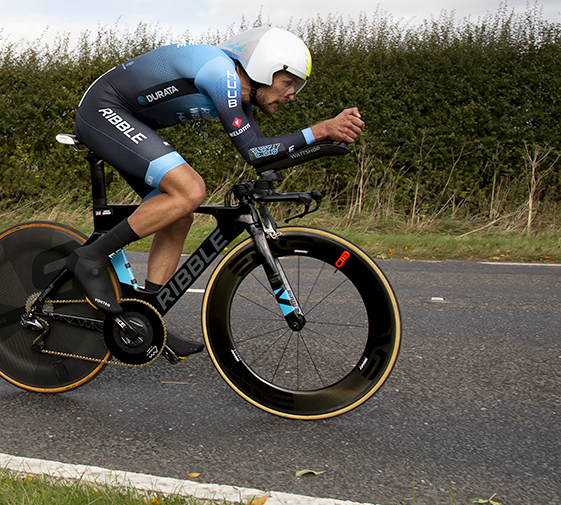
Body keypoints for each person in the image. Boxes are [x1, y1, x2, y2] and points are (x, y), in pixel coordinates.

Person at [67, 26, 365, 357]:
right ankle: (90, 257)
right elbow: (254, 150)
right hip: (103, 110)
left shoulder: (243, 95)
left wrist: (323, 142)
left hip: (127, 118)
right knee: (190, 190)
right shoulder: (220, 72)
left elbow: (263, 155)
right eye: (289, 82)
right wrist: (320, 129)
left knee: (179, 212)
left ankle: (149, 317)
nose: (292, 94)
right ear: (266, 67)